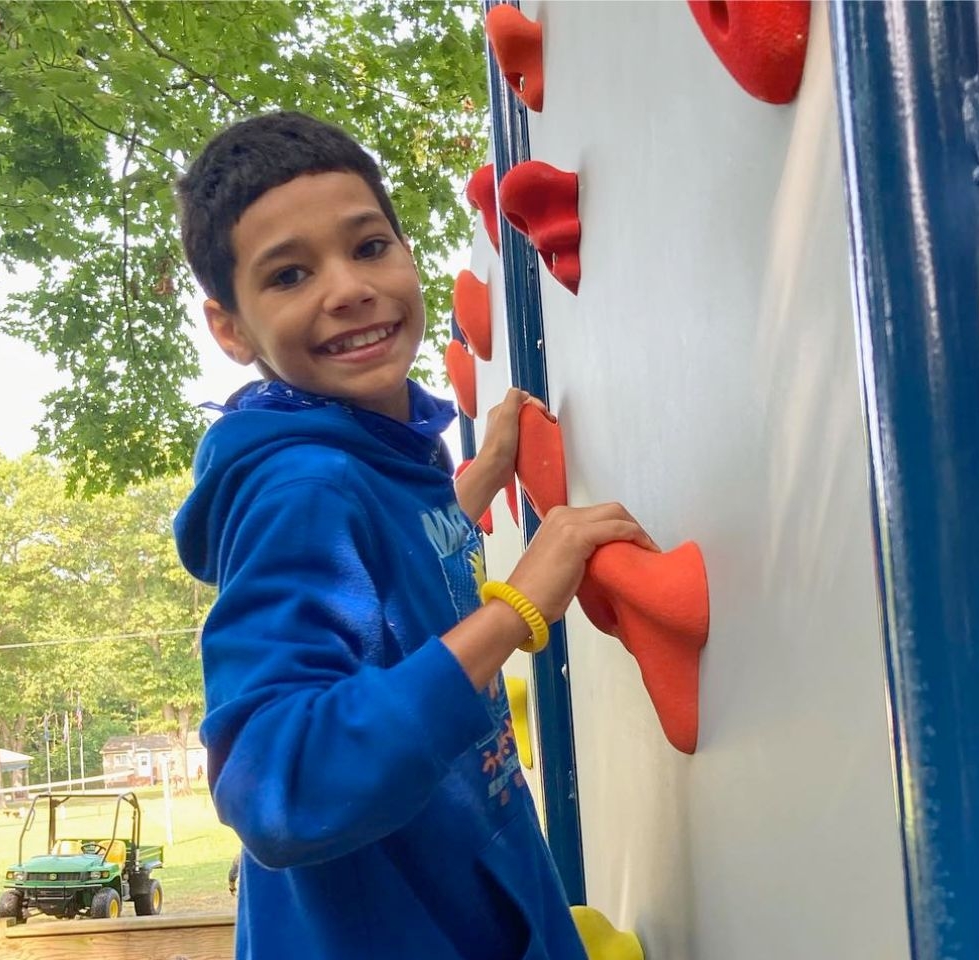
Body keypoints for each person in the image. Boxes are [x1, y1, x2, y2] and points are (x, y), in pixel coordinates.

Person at [173, 110, 654, 959]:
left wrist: (476, 483)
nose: (347, 289)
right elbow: (281, 784)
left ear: (405, 250)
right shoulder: (302, 487)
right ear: (231, 328)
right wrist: (513, 611)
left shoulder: (377, 453)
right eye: (289, 274)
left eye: (368, 247)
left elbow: (393, 573)